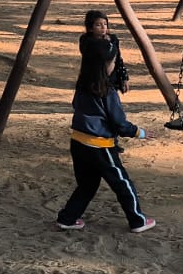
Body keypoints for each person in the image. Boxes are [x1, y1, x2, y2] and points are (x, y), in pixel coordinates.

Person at [56, 39, 154, 233]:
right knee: (122, 184)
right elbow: (119, 123)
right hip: (100, 146)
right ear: (104, 67)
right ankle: (137, 221)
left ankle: (68, 218)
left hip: (78, 142)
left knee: (87, 185)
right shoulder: (107, 92)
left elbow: (76, 106)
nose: (113, 66)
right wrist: (139, 132)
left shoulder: (82, 85)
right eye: (112, 63)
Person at [78, 10, 129, 94]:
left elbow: (118, 59)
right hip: (91, 85)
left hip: (110, 84)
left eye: (105, 24)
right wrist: (110, 44)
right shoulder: (87, 41)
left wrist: (124, 78)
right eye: (98, 25)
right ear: (90, 28)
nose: (103, 27)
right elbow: (105, 54)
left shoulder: (112, 39)